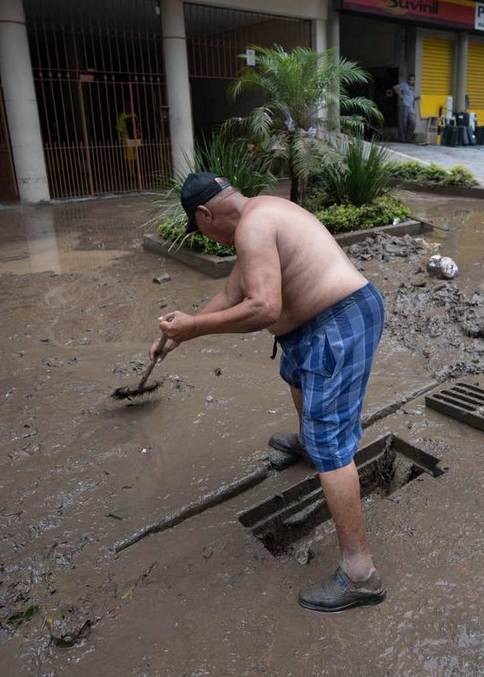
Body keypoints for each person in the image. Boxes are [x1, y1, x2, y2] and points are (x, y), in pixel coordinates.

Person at [150, 172, 387, 613]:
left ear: (205, 214)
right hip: (317, 325)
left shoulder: (253, 226)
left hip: (340, 319)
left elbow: (263, 308)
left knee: (331, 444)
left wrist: (195, 327)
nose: (208, 237)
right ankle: (309, 443)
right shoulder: (258, 212)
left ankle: (361, 574)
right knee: (296, 374)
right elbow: (232, 293)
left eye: (199, 227)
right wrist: (182, 334)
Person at [392, 74, 417, 143]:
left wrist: (417, 98)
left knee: (413, 122)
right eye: (410, 79)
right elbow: (395, 87)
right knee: (403, 123)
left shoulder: (412, 88)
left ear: (414, 81)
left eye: (413, 80)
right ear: (408, 80)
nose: (411, 81)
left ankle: (408, 138)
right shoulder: (404, 85)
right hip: (404, 106)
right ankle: (402, 139)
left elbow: (411, 98)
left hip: (410, 107)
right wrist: (400, 95)